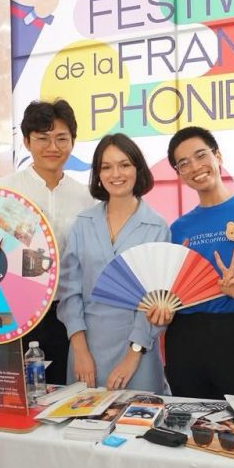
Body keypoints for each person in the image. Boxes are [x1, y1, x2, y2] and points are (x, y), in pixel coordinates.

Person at [148, 126, 234, 400]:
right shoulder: (178, 228)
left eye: (201, 155)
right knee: (190, 420)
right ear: (179, 174)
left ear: (218, 156)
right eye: (184, 163)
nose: (195, 167)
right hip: (184, 336)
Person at [0, 99, 94, 385]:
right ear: (26, 142)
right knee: (16, 391)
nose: (53, 147)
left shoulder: (86, 197)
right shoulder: (2, 191)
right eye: (42, 138)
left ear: (73, 142)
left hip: (68, 315)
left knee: (67, 391)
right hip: (14, 314)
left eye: (62, 138)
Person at [57, 133, 169, 393]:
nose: (115, 174)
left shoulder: (156, 226)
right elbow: (69, 291)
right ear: (97, 174)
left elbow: (157, 299)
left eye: (124, 164)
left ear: (137, 169)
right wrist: (80, 349)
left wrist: (133, 356)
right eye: (106, 167)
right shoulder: (83, 223)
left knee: (137, 428)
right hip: (85, 347)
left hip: (137, 350)